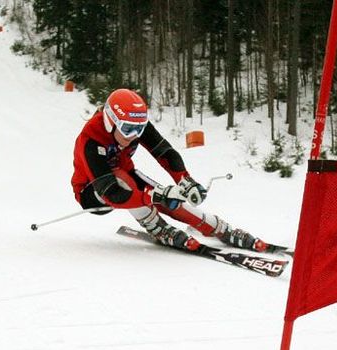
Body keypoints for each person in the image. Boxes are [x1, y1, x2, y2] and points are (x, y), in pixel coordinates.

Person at [72, 88, 267, 251]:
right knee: (132, 184)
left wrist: (185, 182)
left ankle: (220, 228)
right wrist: (154, 196)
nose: (134, 135)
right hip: (93, 192)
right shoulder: (90, 141)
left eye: (139, 129)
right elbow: (111, 193)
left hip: (125, 177)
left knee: (172, 200)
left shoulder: (134, 123)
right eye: (128, 130)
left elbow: (164, 152)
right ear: (110, 122)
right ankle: (157, 227)